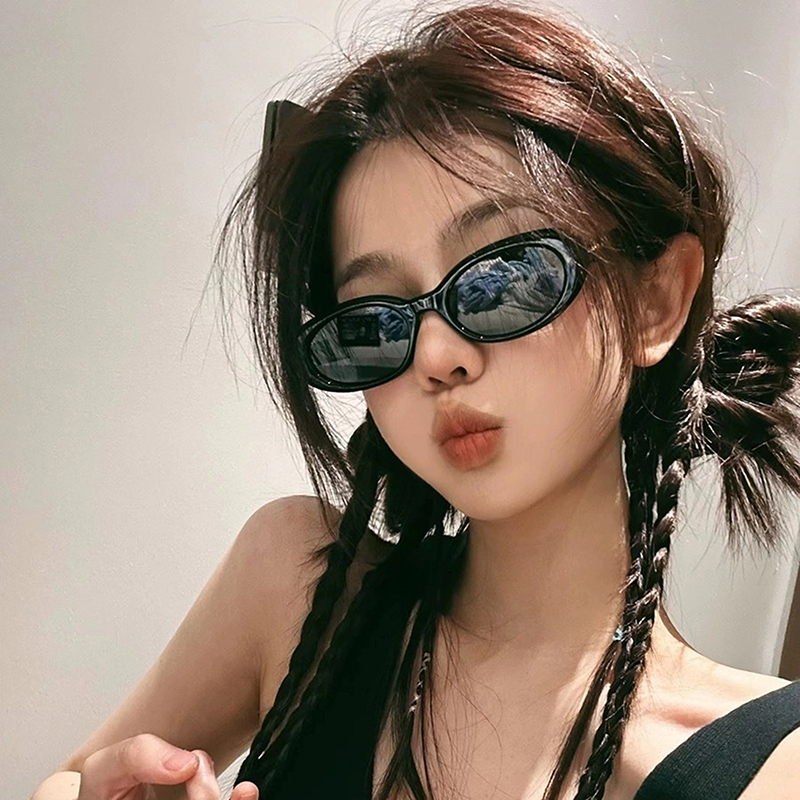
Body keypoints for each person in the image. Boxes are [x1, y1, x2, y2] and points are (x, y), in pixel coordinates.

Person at [31, 2, 800, 799]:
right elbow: (67, 782)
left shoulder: (770, 768)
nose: (435, 358)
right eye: (375, 321)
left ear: (656, 301)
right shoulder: (298, 588)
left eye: (504, 278)